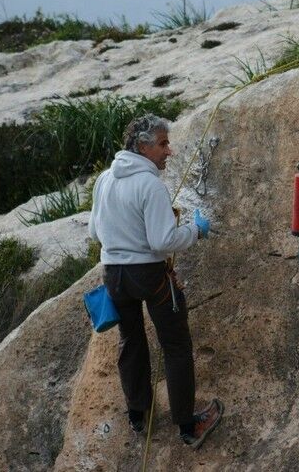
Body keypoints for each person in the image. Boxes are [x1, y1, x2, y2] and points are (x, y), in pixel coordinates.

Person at [88, 114, 223, 449]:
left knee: (130, 341)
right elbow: (163, 241)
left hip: (113, 275)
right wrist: (196, 230)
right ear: (143, 146)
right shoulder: (150, 185)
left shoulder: (104, 180)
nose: (169, 151)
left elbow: (93, 232)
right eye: (163, 144)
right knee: (175, 344)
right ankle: (188, 426)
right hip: (148, 275)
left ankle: (138, 414)